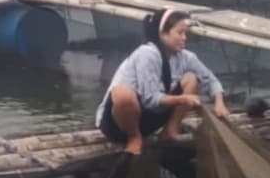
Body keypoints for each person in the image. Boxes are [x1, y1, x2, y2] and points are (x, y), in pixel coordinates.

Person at [95, 8, 229, 155]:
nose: (184, 38)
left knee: (191, 79)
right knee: (122, 93)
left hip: (149, 120)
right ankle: (134, 138)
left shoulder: (185, 57)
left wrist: (219, 102)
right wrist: (183, 98)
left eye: (185, 33)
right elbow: (150, 99)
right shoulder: (147, 54)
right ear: (163, 33)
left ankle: (170, 130)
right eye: (179, 33)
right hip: (119, 124)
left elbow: (210, 80)